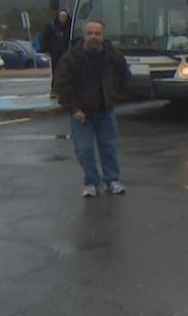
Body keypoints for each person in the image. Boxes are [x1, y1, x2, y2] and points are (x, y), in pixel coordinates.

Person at [55, 20, 131, 198]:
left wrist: (116, 97)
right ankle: (91, 182)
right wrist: (74, 109)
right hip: (81, 113)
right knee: (84, 150)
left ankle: (112, 180)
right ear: (84, 35)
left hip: (105, 110)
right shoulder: (71, 58)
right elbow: (62, 86)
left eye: (97, 33)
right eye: (89, 33)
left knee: (109, 147)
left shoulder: (113, 55)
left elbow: (125, 77)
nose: (93, 37)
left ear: (103, 36)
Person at [39, 10, 72, 98]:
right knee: (56, 72)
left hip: (68, 52)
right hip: (56, 53)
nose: (62, 18)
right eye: (61, 16)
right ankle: (55, 90)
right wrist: (46, 49)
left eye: (64, 16)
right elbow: (44, 38)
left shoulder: (70, 27)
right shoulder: (52, 26)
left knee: (69, 72)